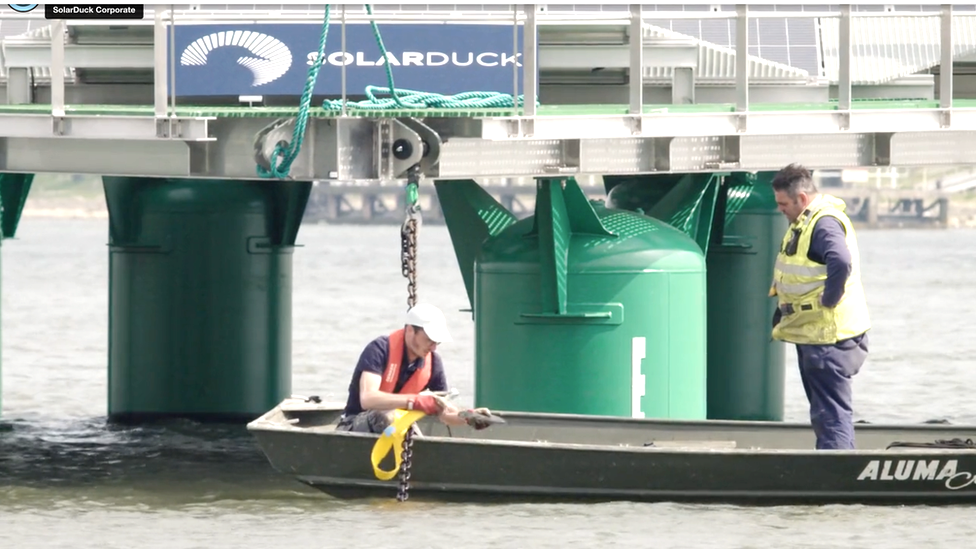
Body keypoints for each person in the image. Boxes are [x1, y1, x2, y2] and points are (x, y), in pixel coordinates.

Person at [768, 163, 871, 450]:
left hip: (829, 336)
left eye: (783, 203)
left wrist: (829, 298)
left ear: (801, 199)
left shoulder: (823, 222)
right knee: (825, 411)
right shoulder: (805, 221)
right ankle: (836, 464)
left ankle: (838, 475)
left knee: (831, 413)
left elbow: (841, 260)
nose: (780, 209)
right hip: (814, 334)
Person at [337, 302, 469, 434]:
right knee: (381, 417)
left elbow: (444, 412)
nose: (433, 347)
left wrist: (468, 417)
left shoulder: (434, 363)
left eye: (437, 342)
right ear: (411, 330)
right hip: (356, 426)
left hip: (397, 427)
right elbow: (368, 399)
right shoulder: (379, 350)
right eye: (430, 339)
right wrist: (414, 401)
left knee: (405, 429)